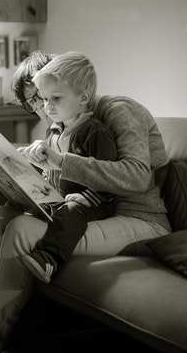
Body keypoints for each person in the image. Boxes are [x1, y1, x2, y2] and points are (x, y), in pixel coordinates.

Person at [0, 50, 171, 353]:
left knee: (21, 230)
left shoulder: (115, 112)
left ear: (75, 90)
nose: (42, 109)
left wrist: (60, 162)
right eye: (37, 102)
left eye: (44, 98)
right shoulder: (63, 122)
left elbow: (137, 177)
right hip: (90, 213)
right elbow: (68, 180)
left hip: (137, 217)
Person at [20, 52, 118, 283]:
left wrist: (86, 198)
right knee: (21, 200)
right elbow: (52, 171)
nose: (48, 106)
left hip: (93, 202)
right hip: (59, 197)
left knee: (71, 211)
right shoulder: (54, 131)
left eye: (56, 99)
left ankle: (48, 259)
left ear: (83, 97)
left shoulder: (95, 132)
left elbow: (108, 178)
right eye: (44, 99)